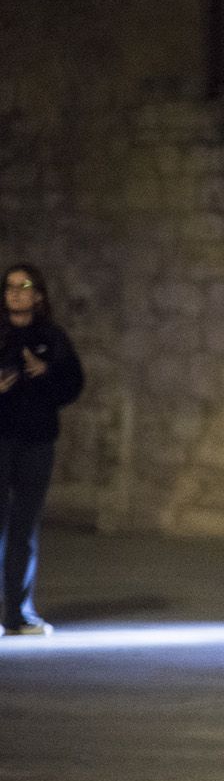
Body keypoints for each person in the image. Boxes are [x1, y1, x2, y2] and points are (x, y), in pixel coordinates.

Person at [0, 263, 84, 637]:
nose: (16, 293)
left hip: (36, 442)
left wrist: (44, 371)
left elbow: (72, 384)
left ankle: (17, 614)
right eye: (10, 287)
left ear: (38, 296)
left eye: (24, 286)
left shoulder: (52, 337)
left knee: (24, 527)